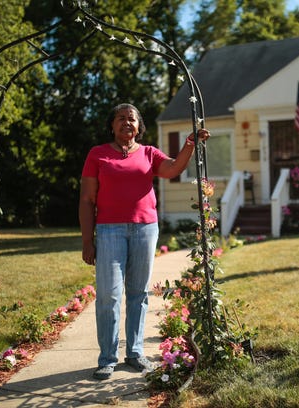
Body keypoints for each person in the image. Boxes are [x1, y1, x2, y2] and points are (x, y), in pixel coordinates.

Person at [79, 103, 210, 380]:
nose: (127, 123)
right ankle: (107, 358)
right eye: (120, 119)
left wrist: (190, 142)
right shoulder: (97, 154)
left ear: (139, 126)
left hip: (145, 229)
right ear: (112, 125)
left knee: (138, 294)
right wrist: (87, 241)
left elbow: (173, 168)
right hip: (108, 231)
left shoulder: (149, 153)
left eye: (132, 119)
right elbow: (87, 199)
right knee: (108, 295)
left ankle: (135, 353)